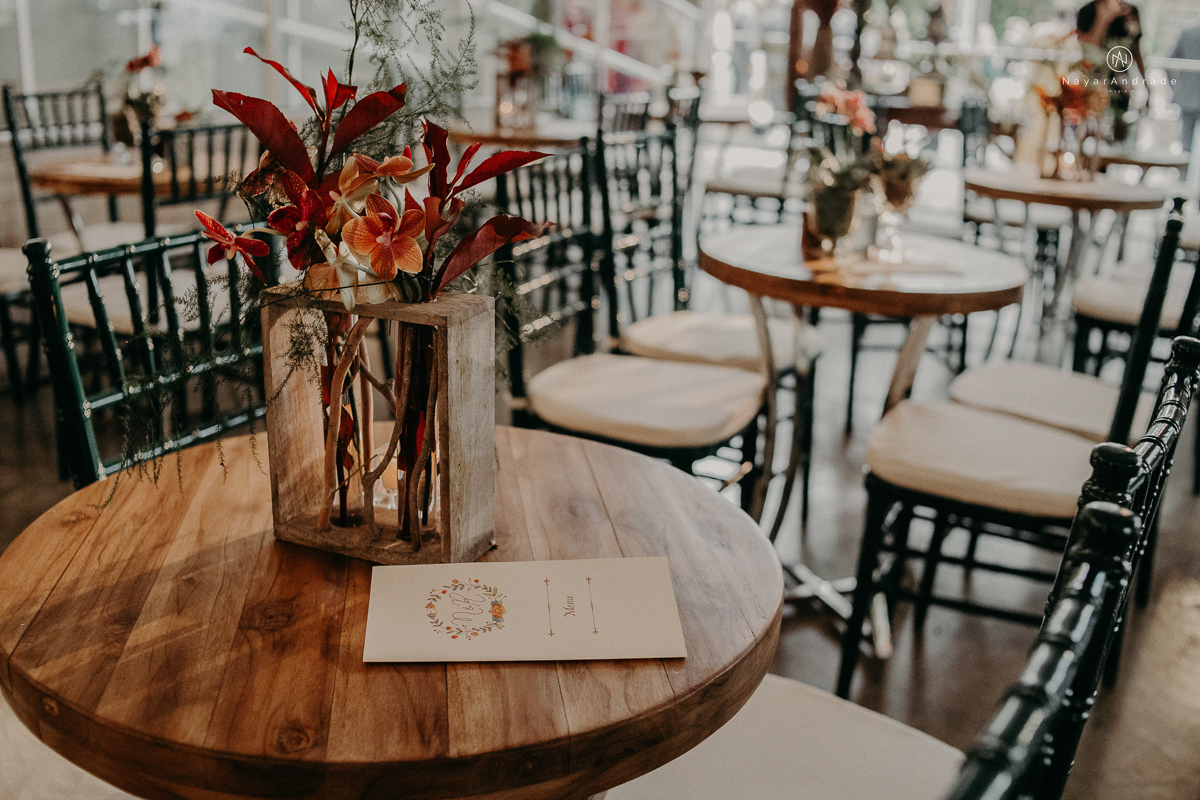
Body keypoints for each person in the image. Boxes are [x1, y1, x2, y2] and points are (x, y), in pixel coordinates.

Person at [1169, 21, 1200, 149]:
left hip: (1187, 96)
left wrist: (1175, 87)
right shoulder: (1188, 32)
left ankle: (1185, 168)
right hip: (1188, 98)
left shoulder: (1187, 32)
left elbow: (1170, 62)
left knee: (1187, 144)